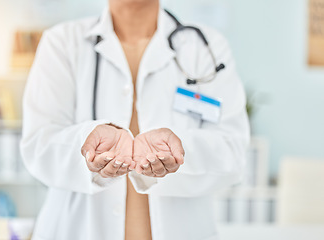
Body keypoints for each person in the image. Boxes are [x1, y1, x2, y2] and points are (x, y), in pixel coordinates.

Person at [20, 0, 250, 239]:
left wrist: (178, 151)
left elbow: (233, 150)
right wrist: (87, 142)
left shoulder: (205, 47)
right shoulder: (62, 42)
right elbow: (39, 145)